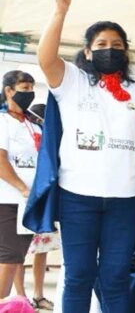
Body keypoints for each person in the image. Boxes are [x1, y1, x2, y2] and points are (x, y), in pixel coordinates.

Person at [24, 0, 135, 313]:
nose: (110, 48)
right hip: (77, 198)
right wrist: (60, 11)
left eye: (117, 44)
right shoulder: (73, 81)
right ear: (88, 51)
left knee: (115, 277)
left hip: (126, 200)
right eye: (101, 43)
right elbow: (45, 58)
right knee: (79, 275)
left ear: (126, 52)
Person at [0, 71, 40, 301]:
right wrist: (22, 188)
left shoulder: (32, 123)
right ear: (9, 91)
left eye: (31, 88)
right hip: (8, 199)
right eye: (24, 88)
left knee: (16, 258)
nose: (29, 93)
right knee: (8, 258)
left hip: (27, 202)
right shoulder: (2, 121)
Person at [12, 103, 55, 311]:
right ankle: (20, 297)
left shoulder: (49, 137)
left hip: (43, 201)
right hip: (21, 198)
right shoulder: (19, 135)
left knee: (43, 249)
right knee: (17, 251)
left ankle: (38, 295)